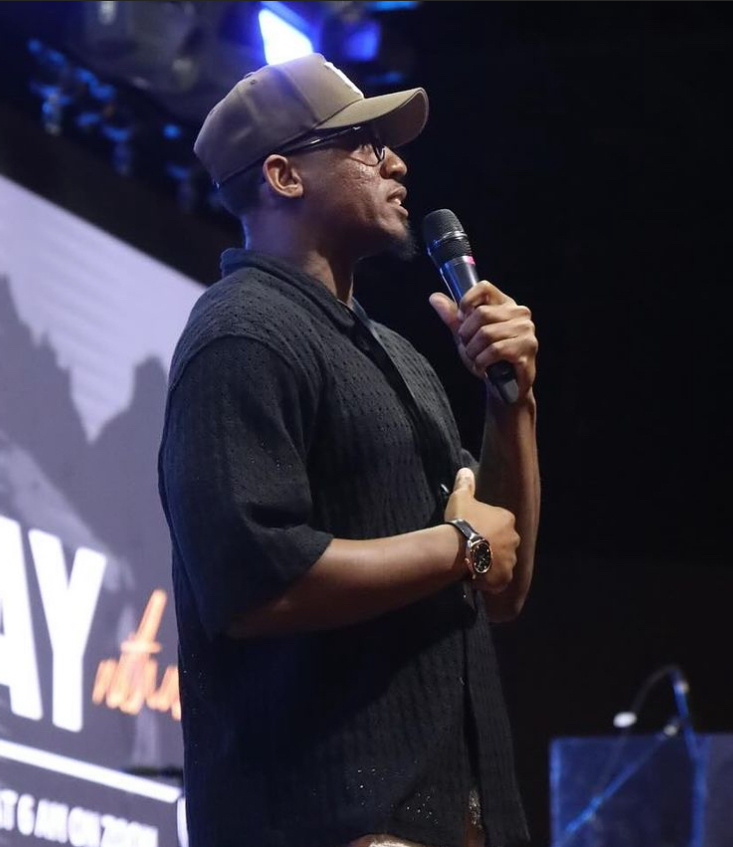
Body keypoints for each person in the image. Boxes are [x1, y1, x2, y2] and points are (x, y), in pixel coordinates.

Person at [158, 53, 540, 847]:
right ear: (283, 175)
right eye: (364, 144)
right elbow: (254, 584)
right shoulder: (241, 334)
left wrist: (512, 401)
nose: (396, 162)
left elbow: (500, 581)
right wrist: (458, 544)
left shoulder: (397, 357)